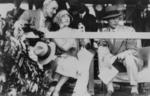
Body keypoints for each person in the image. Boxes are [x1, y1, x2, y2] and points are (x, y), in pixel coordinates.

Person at [97, 5, 143, 96]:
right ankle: (110, 88)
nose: (115, 21)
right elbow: (102, 46)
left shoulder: (129, 30)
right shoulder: (104, 31)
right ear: (107, 20)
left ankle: (134, 88)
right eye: (112, 19)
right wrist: (100, 44)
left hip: (128, 58)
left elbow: (133, 49)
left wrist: (124, 54)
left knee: (129, 58)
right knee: (102, 52)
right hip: (113, 60)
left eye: (117, 18)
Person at [46, 10, 79, 96]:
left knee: (70, 62)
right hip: (58, 58)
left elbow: (75, 47)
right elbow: (65, 47)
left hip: (72, 58)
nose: (67, 18)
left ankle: (55, 89)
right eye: (63, 17)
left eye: (68, 16)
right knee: (63, 63)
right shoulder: (55, 34)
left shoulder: (74, 30)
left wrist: (79, 32)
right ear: (58, 20)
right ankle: (53, 90)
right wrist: (73, 37)